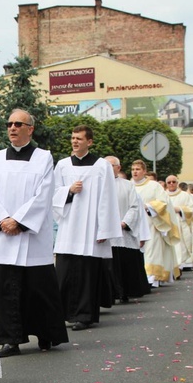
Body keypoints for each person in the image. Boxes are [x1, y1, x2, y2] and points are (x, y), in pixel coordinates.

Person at [0, 109, 68, 357]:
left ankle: (45, 334)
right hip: (4, 235)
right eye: (9, 124)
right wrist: (3, 220)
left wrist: (19, 221)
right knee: (6, 288)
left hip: (31, 236)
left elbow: (44, 194)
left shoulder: (44, 158)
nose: (12, 128)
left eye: (18, 124)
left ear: (30, 129)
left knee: (38, 288)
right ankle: (10, 340)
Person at [52, 125, 121, 331]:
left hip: (91, 227)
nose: (75, 141)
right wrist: (69, 191)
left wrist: (104, 230)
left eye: (79, 139)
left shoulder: (102, 166)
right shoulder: (63, 165)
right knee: (63, 273)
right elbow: (53, 193)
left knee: (86, 275)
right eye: (73, 138)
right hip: (68, 226)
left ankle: (85, 315)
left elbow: (108, 198)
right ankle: (63, 312)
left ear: (89, 142)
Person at [105, 156, 151, 302]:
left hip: (124, 233)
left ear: (118, 168)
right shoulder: (97, 184)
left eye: (111, 165)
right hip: (105, 234)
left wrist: (125, 223)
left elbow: (135, 207)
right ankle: (109, 295)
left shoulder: (127, 185)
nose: (107, 168)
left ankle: (125, 292)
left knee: (124, 265)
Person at [131, 160, 179, 286]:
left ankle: (152, 277)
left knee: (152, 250)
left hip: (151, 222)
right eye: (133, 169)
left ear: (144, 171)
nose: (135, 172)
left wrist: (148, 207)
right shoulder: (128, 185)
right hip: (132, 223)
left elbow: (163, 201)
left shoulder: (154, 186)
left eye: (138, 169)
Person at [165, 176, 193, 270]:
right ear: (166, 184)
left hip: (181, 224)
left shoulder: (184, 195)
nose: (171, 184)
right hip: (168, 225)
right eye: (169, 182)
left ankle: (182, 266)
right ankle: (172, 267)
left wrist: (180, 209)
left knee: (181, 247)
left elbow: (192, 209)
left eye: (173, 182)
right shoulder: (163, 195)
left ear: (177, 183)